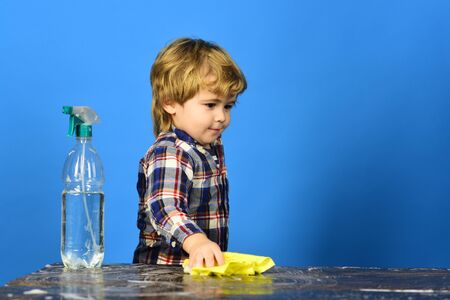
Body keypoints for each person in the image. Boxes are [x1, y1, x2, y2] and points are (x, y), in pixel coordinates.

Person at [133, 38, 247, 268]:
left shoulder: (208, 148)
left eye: (228, 106)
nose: (221, 117)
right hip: (164, 278)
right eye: (210, 105)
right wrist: (196, 242)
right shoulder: (170, 151)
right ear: (170, 103)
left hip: (196, 276)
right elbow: (165, 206)